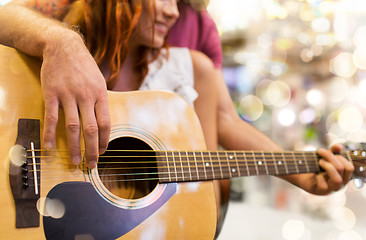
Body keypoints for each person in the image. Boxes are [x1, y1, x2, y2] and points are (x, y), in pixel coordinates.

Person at [0, 0, 354, 233]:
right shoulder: (58, 24)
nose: (173, 12)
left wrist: (305, 174)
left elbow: (229, 123)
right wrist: (60, 43)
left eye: (179, 3)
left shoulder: (189, 68)